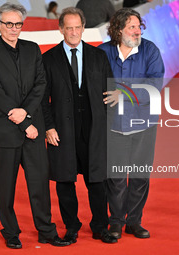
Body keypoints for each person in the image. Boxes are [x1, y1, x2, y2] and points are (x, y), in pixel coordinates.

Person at [0, 3, 70, 249]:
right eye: (8, 23)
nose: (13, 28)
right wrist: (25, 123)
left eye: (17, 24)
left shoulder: (32, 49)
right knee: (5, 187)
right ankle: (10, 232)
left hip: (33, 130)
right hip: (5, 133)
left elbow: (40, 85)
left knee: (39, 184)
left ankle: (46, 231)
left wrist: (27, 116)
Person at [41, 7, 117, 244]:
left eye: (77, 27)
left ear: (83, 28)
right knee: (65, 181)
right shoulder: (48, 59)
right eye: (69, 27)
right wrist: (48, 127)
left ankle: (99, 226)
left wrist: (108, 123)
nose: (73, 31)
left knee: (98, 180)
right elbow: (41, 99)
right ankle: (71, 226)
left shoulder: (98, 56)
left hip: (95, 129)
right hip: (62, 131)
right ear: (60, 28)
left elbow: (111, 90)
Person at [98, 8, 165, 239]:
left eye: (139, 27)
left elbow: (155, 85)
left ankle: (134, 221)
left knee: (139, 177)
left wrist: (123, 93)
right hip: (113, 125)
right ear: (117, 30)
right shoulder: (102, 52)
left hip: (144, 125)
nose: (137, 32)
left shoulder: (150, 50)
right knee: (115, 177)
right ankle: (116, 221)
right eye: (132, 27)